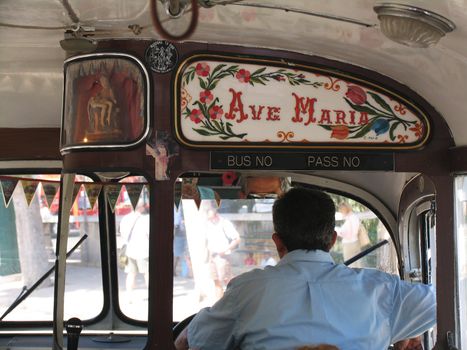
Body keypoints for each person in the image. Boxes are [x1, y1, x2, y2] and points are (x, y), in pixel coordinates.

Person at [175, 187, 436, 350]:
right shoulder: (381, 290)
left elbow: (188, 343)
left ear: (277, 242)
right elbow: (448, 300)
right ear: (333, 240)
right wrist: (402, 330)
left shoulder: (246, 290)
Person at [205, 207, 241, 299]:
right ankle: (217, 304)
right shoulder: (208, 223)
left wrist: (224, 250)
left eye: (212, 218)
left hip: (223, 256)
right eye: (209, 218)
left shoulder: (225, 223)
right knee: (216, 281)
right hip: (212, 256)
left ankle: (234, 300)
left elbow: (237, 239)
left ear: (216, 215)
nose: (210, 220)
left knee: (225, 280)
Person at [119, 201, 149, 300]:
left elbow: (122, 233)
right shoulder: (146, 219)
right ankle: (151, 295)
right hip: (143, 250)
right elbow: (149, 234)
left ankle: (129, 296)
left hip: (130, 250)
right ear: (141, 208)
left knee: (131, 274)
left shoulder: (125, 218)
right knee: (147, 273)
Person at [336, 202, 362, 267]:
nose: (340, 212)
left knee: (349, 265)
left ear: (344, 209)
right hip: (356, 242)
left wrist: (338, 231)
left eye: (341, 210)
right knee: (357, 264)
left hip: (349, 244)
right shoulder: (355, 217)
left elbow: (348, 235)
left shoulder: (349, 219)